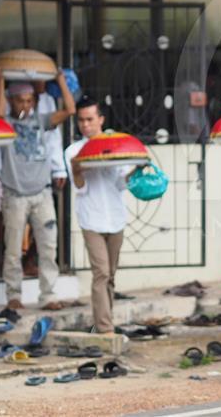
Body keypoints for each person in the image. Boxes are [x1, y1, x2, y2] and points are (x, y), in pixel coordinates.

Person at [0, 70, 75, 311]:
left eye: (29, 100)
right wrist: (2, 82)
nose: (25, 104)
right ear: (11, 100)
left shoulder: (42, 120)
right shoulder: (5, 124)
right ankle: (13, 296)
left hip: (42, 193)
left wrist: (59, 81)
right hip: (14, 195)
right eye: (20, 100)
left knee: (49, 247)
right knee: (14, 249)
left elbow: (70, 110)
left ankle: (48, 296)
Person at [64, 96, 131, 334]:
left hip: (116, 217)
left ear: (100, 119)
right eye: (81, 120)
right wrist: (77, 168)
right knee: (101, 272)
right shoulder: (73, 151)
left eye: (90, 119)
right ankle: (104, 329)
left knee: (110, 275)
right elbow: (79, 187)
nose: (85, 125)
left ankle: (106, 320)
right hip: (91, 219)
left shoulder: (116, 144)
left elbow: (123, 183)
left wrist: (138, 167)